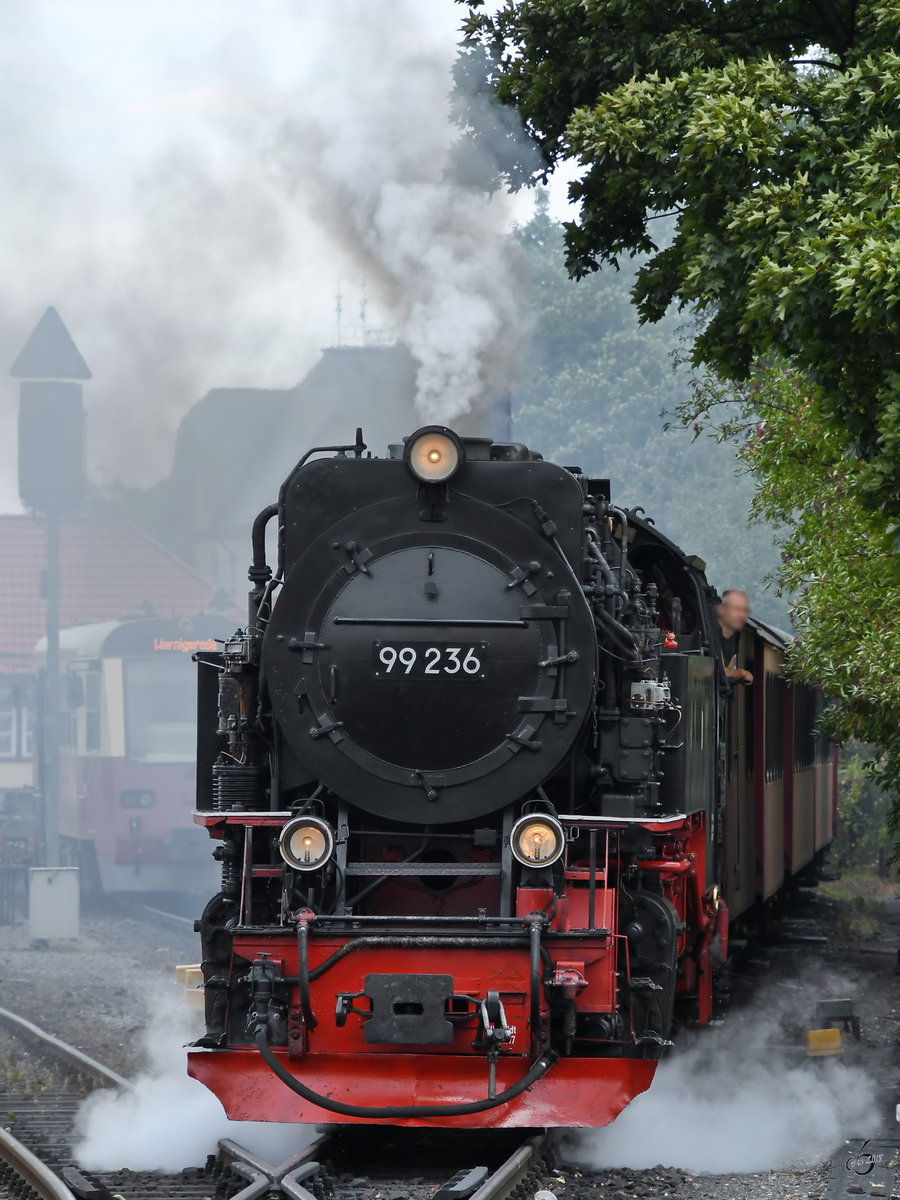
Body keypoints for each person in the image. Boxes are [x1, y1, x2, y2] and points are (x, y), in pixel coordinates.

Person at [717, 589, 753, 686]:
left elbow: (729, 670)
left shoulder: (736, 634)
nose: (741, 615)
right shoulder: (713, 630)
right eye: (737, 609)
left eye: (745, 610)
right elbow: (722, 673)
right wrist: (743, 673)